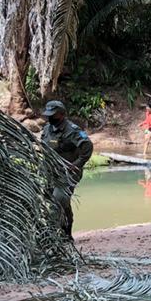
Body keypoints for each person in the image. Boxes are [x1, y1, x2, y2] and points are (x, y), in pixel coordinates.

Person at [40, 100, 94, 240]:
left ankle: (59, 234)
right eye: (48, 115)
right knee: (56, 202)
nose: (50, 118)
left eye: (53, 115)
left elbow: (87, 147)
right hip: (51, 171)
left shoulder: (72, 130)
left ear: (62, 114)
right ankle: (60, 232)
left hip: (68, 173)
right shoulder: (47, 129)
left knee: (58, 199)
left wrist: (76, 164)